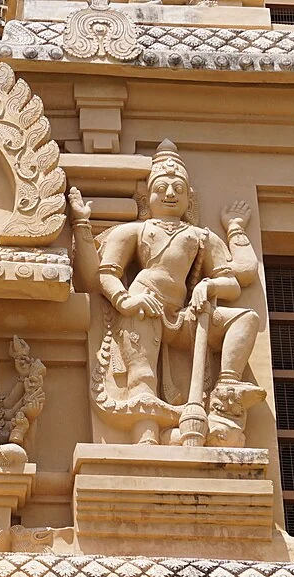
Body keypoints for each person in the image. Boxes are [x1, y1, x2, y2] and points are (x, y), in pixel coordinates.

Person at [70, 139, 262, 446]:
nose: (170, 193)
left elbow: (238, 278)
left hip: (185, 313)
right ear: (148, 196)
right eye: (162, 187)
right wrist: (127, 301)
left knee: (246, 318)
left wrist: (211, 279)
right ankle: (146, 438)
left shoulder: (200, 236)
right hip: (144, 305)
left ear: (190, 198)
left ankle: (227, 386)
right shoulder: (135, 231)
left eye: (178, 188)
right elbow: (103, 275)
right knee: (143, 379)